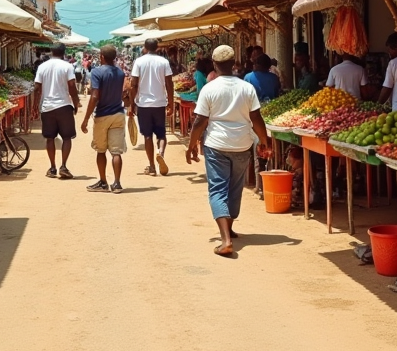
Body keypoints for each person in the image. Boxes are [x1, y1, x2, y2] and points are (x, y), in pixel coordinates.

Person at [185, 45, 272, 257]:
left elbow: (200, 121)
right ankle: (229, 228)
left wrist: (191, 145)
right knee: (235, 188)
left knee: (217, 190)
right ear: (234, 64)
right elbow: (256, 118)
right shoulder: (246, 87)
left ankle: (225, 240)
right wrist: (263, 140)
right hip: (242, 145)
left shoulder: (210, 88)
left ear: (214, 64)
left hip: (216, 145)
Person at [80, 45, 128, 194]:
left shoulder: (97, 72)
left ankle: (103, 182)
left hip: (102, 115)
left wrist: (86, 118)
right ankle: (117, 183)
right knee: (116, 152)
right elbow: (124, 93)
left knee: (101, 151)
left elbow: (94, 96)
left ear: (101, 56)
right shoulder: (120, 73)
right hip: (118, 114)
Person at [128, 38, 174, 176]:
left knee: (147, 135)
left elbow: (134, 84)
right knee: (161, 134)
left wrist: (131, 104)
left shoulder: (139, 62)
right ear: (157, 47)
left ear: (145, 47)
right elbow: (169, 83)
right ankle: (160, 153)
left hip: (143, 104)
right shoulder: (164, 62)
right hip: (160, 103)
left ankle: (152, 166)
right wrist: (170, 103)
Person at [33, 44, 79, 179]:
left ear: (52, 51)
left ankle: (52, 167)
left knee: (50, 138)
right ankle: (63, 166)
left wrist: (36, 105)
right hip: (64, 105)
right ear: (64, 53)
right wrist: (75, 103)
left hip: (47, 107)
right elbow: (72, 87)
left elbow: (36, 87)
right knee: (67, 137)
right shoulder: (67, 66)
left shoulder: (42, 66)